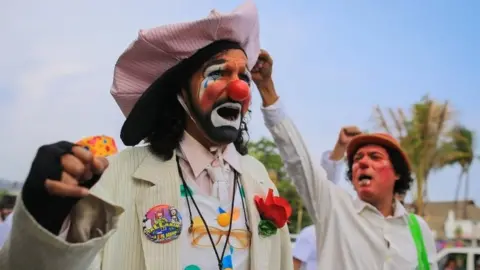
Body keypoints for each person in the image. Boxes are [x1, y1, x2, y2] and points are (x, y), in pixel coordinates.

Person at [0, 2, 310, 269]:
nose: (239, 87)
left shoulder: (259, 180)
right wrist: (45, 220)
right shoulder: (119, 174)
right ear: (180, 94)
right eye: (218, 73)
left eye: (243, 77)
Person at [254, 49, 438, 269]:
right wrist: (266, 88)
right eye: (358, 158)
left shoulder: (418, 230)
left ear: (397, 172)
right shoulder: (335, 209)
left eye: (375, 157)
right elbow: (299, 161)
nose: (362, 162)